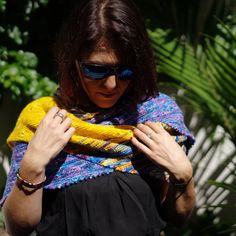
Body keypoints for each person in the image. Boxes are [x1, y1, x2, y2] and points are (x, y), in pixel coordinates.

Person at [1, 0, 196, 235]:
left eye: (125, 71)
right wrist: (32, 166)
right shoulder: (43, 119)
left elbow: (178, 217)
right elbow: (17, 229)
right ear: (74, 62)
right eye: (96, 69)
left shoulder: (159, 117)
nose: (111, 84)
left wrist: (183, 174)